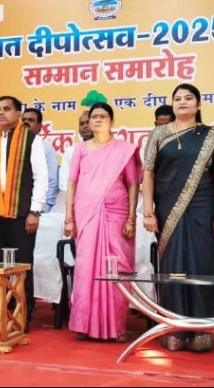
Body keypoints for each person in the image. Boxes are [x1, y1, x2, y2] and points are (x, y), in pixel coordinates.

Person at [142, 84, 214, 352]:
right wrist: (148, 211)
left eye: (188, 98)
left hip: (203, 208)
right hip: (167, 209)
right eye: (177, 98)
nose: (182, 102)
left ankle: (202, 328)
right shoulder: (158, 134)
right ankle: (175, 328)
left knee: (201, 263)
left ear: (198, 104)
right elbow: (148, 173)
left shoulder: (212, 135)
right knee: (172, 265)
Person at [64, 102, 141, 342]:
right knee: (86, 267)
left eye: (103, 116)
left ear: (112, 121)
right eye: (94, 116)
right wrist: (69, 218)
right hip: (86, 214)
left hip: (116, 213)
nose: (97, 120)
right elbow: (72, 184)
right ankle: (84, 325)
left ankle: (116, 326)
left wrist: (131, 218)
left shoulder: (123, 150)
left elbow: (133, 184)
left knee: (117, 267)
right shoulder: (80, 150)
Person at [0, 95, 49, 331]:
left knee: (21, 267)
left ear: (18, 114)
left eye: (6, 109)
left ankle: (22, 316)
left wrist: (35, 211)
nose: (1, 113)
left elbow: (41, 178)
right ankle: (0, 314)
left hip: (22, 215)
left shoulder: (31, 140)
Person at [22, 107, 59, 212]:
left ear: (39, 127)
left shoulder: (46, 149)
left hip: (38, 207)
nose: (26, 122)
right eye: (23, 120)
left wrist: (46, 206)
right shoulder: (13, 147)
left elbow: (52, 179)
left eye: (31, 120)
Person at [58, 110, 92, 193]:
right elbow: (64, 182)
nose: (85, 126)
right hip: (75, 197)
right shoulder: (71, 151)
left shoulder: (106, 150)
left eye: (88, 122)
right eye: (81, 124)